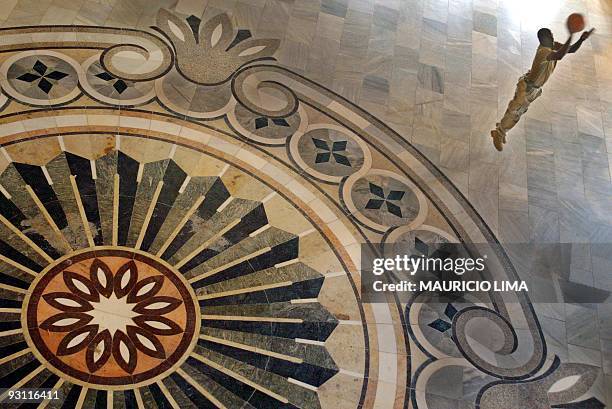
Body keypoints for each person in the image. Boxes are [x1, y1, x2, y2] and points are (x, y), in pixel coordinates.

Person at [491, 27, 595, 151]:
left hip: (533, 88)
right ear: (544, 39)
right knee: (515, 112)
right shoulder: (544, 52)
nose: (553, 37)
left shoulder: (552, 46)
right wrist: (571, 34)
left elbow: (570, 50)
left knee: (517, 111)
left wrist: (581, 39)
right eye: (550, 36)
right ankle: (499, 133)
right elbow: (560, 56)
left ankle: (501, 128)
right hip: (527, 88)